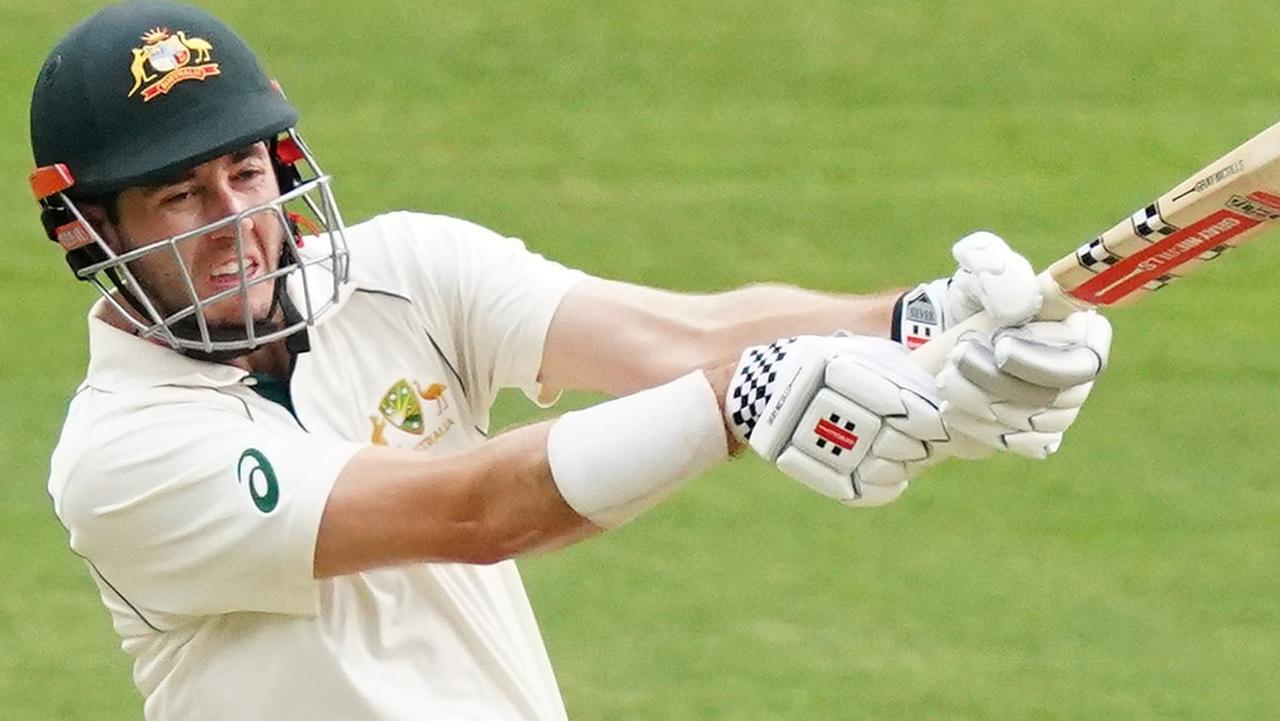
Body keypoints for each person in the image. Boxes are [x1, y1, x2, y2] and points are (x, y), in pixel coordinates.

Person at [29, 2, 1112, 719]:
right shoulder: (123, 458)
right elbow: (471, 511)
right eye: (179, 195)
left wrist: (923, 323)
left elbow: (678, 335)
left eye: (244, 174)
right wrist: (733, 407)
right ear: (88, 232)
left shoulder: (401, 267)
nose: (235, 221)